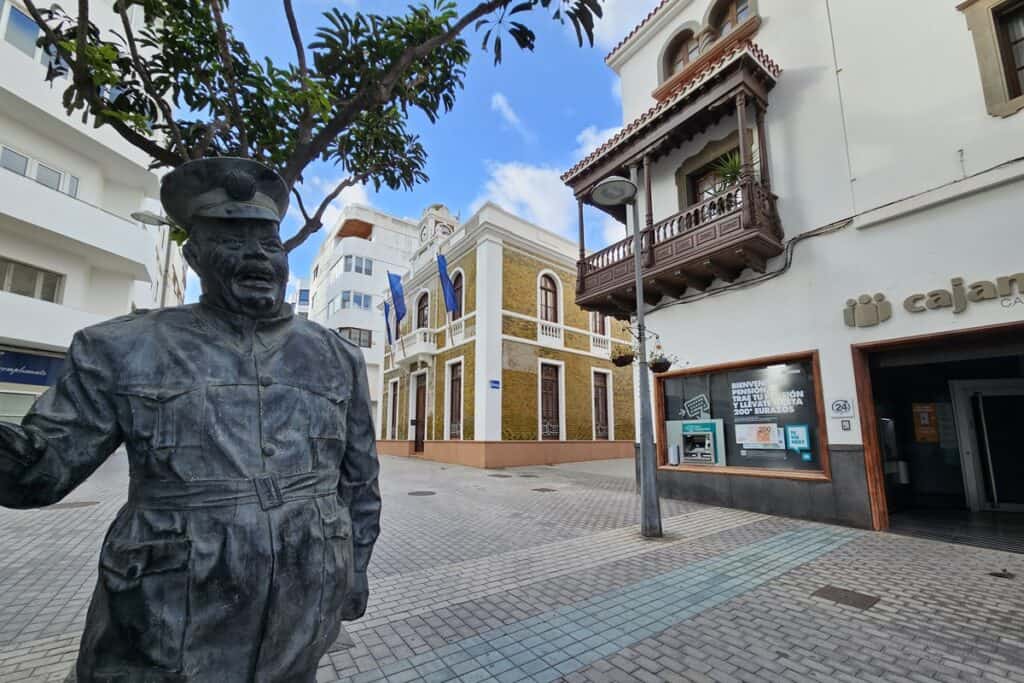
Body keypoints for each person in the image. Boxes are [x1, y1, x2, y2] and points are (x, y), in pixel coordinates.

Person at [0, 157, 381, 682]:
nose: (256, 257)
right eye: (232, 241)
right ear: (195, 256)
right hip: (163, 624)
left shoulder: (337, 357)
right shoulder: (121, 348)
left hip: (298, 618)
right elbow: (34, 473)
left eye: (269, 245)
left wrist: (354, 570)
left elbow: (359, 484)